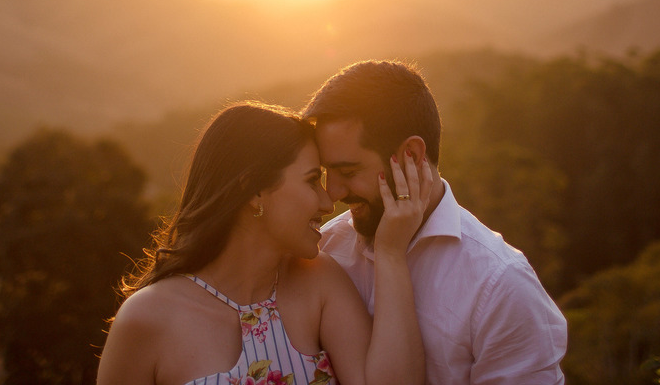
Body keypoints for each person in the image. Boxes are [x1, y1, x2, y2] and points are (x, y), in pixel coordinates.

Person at [97, 101, 432, 385]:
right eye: (312, 181)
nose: (328, 202)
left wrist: (390, 255)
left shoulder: (318, 282)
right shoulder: (146, 319)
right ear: (254, 190)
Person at [304, 60, 568, 385]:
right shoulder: (324, 249)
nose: (333, 194)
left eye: (348, 172)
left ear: (411, 156)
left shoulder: (500, 286)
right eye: (327, 173)